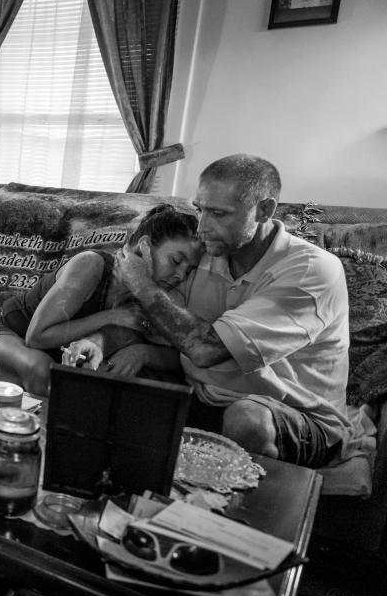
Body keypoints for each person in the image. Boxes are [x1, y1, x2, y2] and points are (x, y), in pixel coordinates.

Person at [95, 153, 362, 468]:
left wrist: (142, 285)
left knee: (247, 419)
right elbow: (146, 318)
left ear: (263, 210)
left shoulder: (311, 270)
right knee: (101, 382)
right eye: (200, 210)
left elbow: (206, 350)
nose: (203, 227)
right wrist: (98, 344)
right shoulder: (205, 251)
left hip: (294, 414)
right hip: (202, 394)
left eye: (219, 214)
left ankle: (226, 516)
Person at [0, 205, 202, 395]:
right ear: (145, 247)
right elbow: (36, 337)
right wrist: (111, 317)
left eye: (189, 270)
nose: (180, 275)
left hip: (58, 353)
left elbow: (185, 356)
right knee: (43, 371)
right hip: (9, 333)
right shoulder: (91, 265)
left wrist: (142, 352)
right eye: (175, 260)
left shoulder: (155, 296)